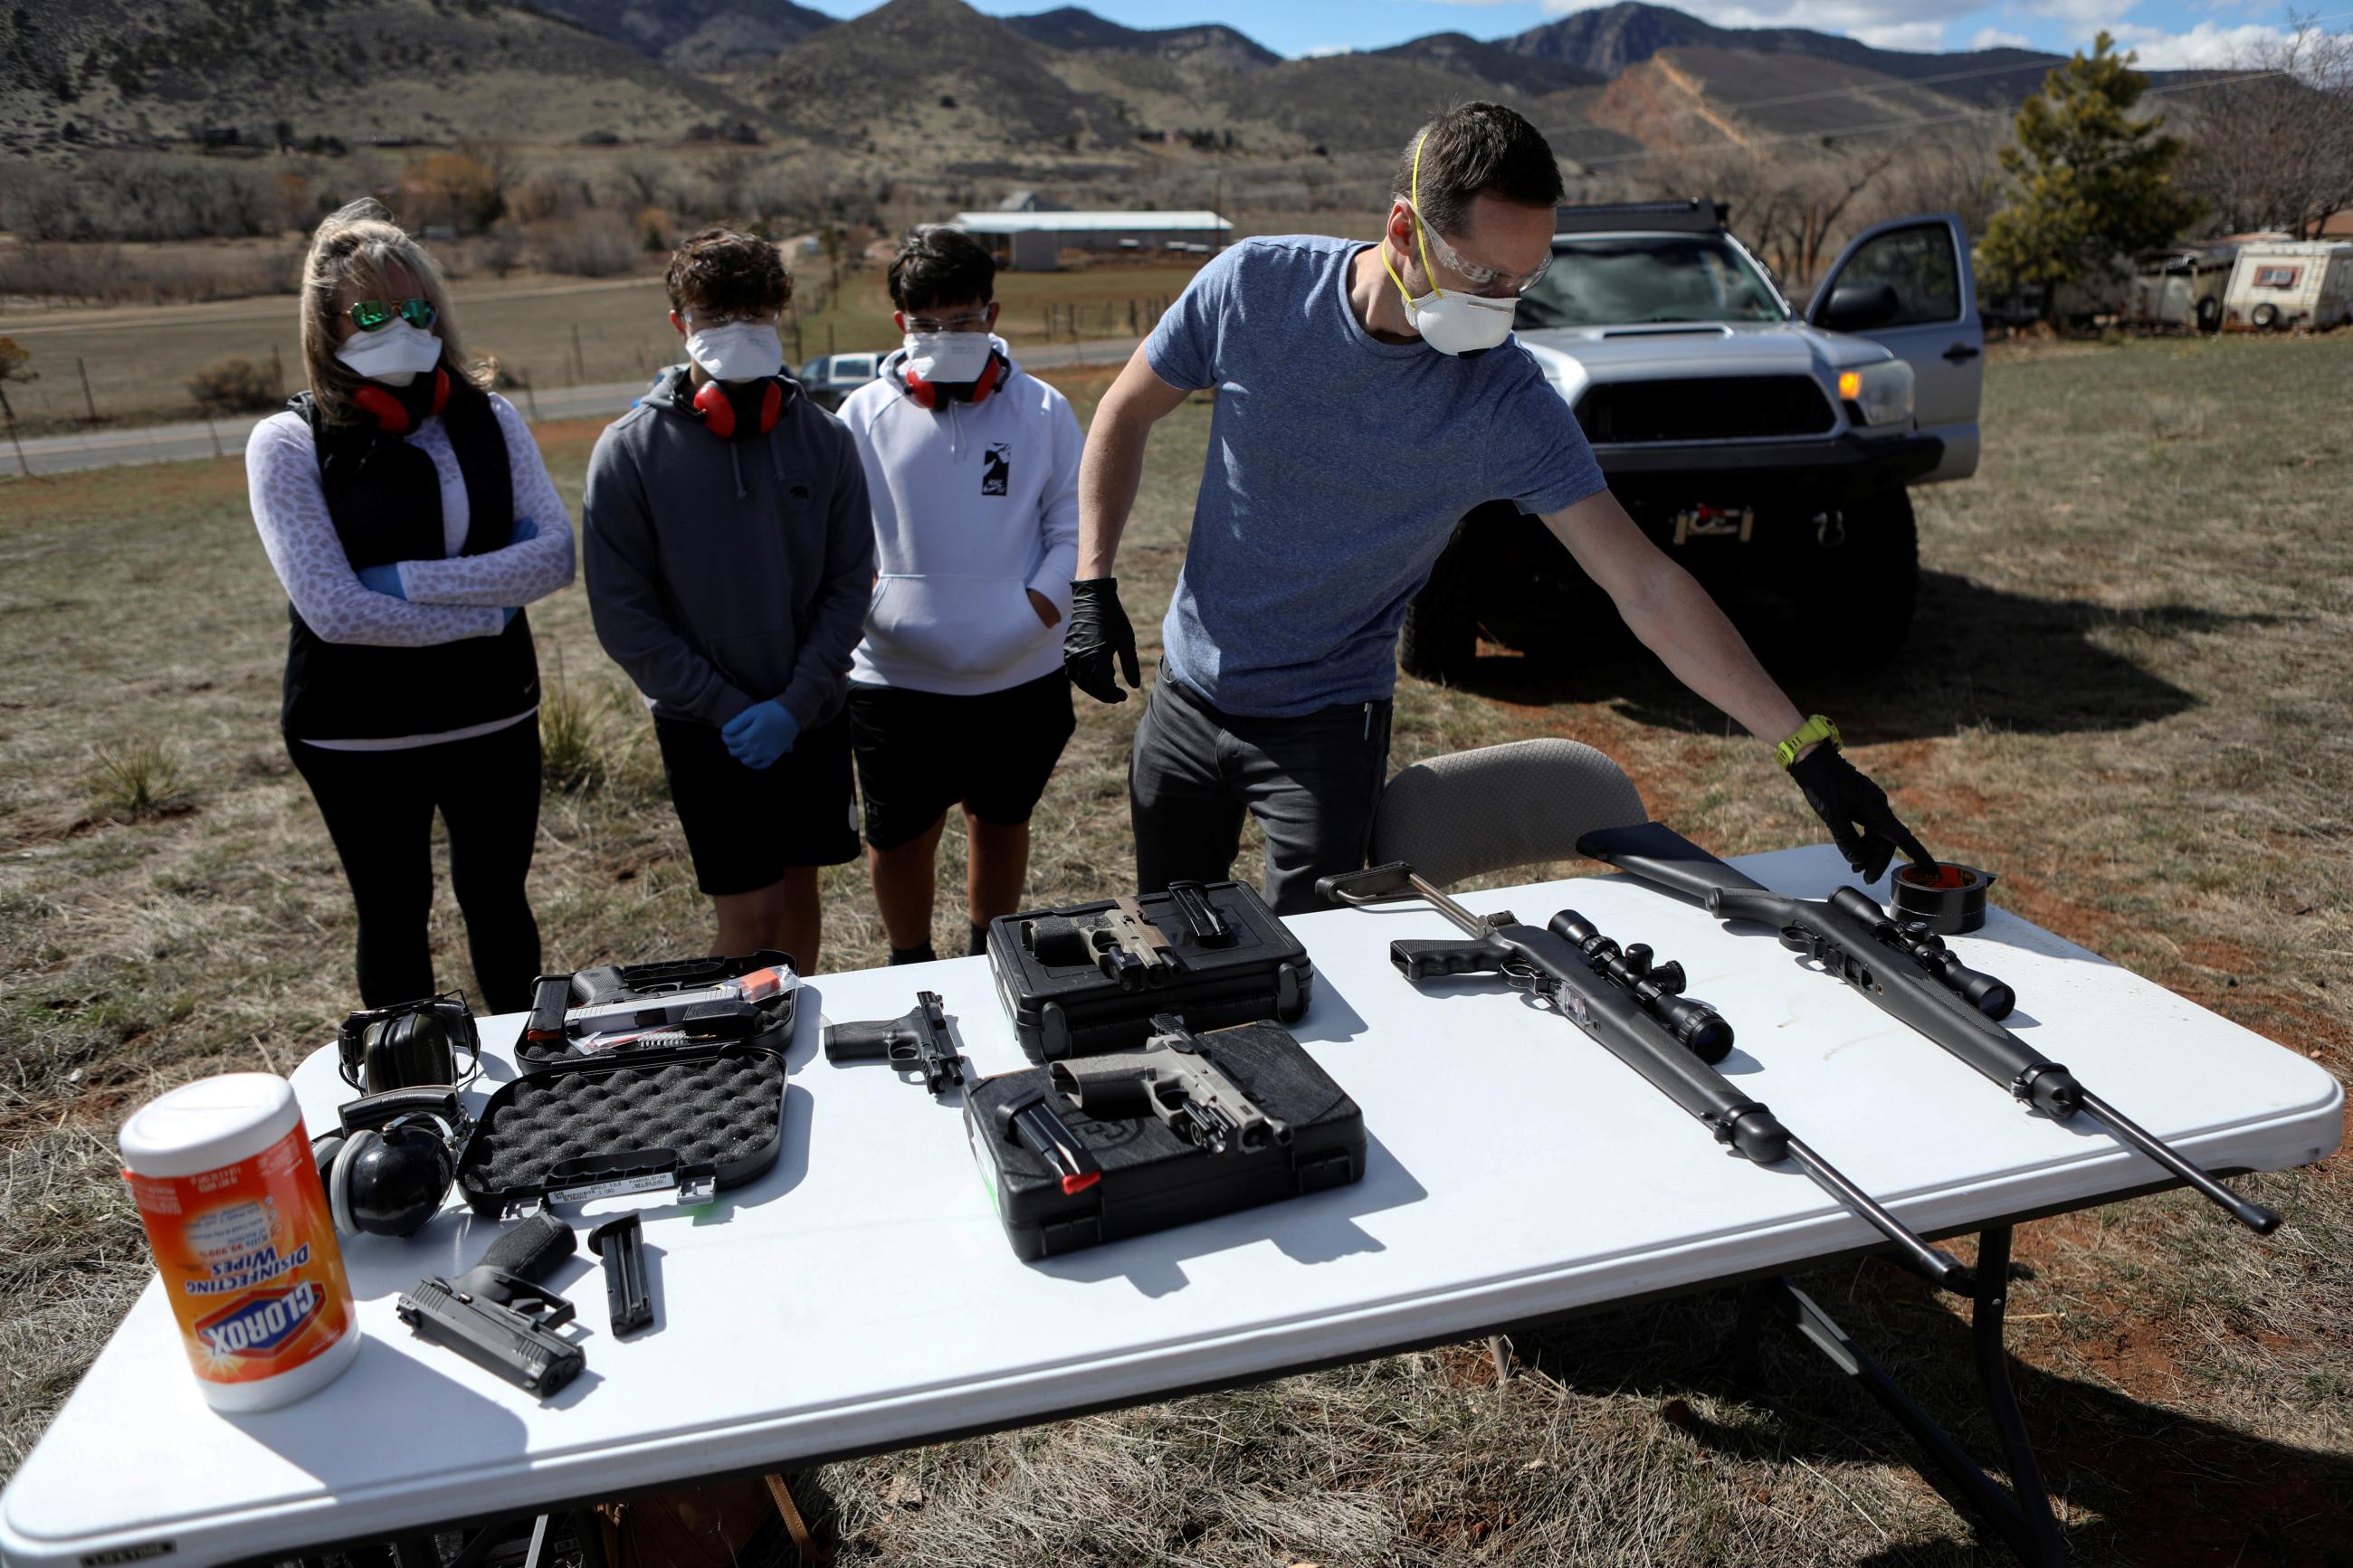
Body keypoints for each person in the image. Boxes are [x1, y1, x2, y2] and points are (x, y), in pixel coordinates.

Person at [1062, 102, 1932, 914]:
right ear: (1403, 229)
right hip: (1186, 694)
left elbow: (1647, 587)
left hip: (1327, 724)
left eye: (1523, 280)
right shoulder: (1253, 289)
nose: (1502, 308)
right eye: (1481, 274)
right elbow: (1125, 410)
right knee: (1173, 942)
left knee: (1315, 972)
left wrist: (1806, 749)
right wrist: (1091, 582)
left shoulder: (1506, 403)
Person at [245, 198, 575, 1014]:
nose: (403, 324)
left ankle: (526, 1073)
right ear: (327, 323)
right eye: (373, 310)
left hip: (490, 713)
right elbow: (334, 611)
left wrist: (407, 582)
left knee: (500, 900)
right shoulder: (285, 443)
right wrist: (486, 605)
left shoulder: (491, 418)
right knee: (393, 913)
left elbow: (555, 555)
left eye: (419, 307)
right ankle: (412, 1094)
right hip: (356, 731)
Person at [583, 228, 873, 970]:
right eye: (714, 313)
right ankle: (741, 1064)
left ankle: (795, 1046)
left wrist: (798, 700)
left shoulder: (827, 441)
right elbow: (626, 616)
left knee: (799, 897)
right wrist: (725, 708)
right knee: (748, 918)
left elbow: (849, 584)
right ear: (680, 323)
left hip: (808, 715)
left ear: (780, 312)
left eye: (753, 310)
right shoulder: (629, 452)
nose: (736, 329)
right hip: (705, 730)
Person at [836, 227, 1083, 965]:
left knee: (1001, 820)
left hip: (1022, 673)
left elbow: (1071, 528)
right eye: (927, 325)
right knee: (899, 832)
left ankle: (988, 952)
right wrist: (886, 616)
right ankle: (908, 959)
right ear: (899, 326)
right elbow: (841, 546)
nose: (947, 336)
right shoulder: (858, 417)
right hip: (895, 679)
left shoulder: (1043, 411)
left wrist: (1030, 617)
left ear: (993, 314)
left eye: (963, 320)